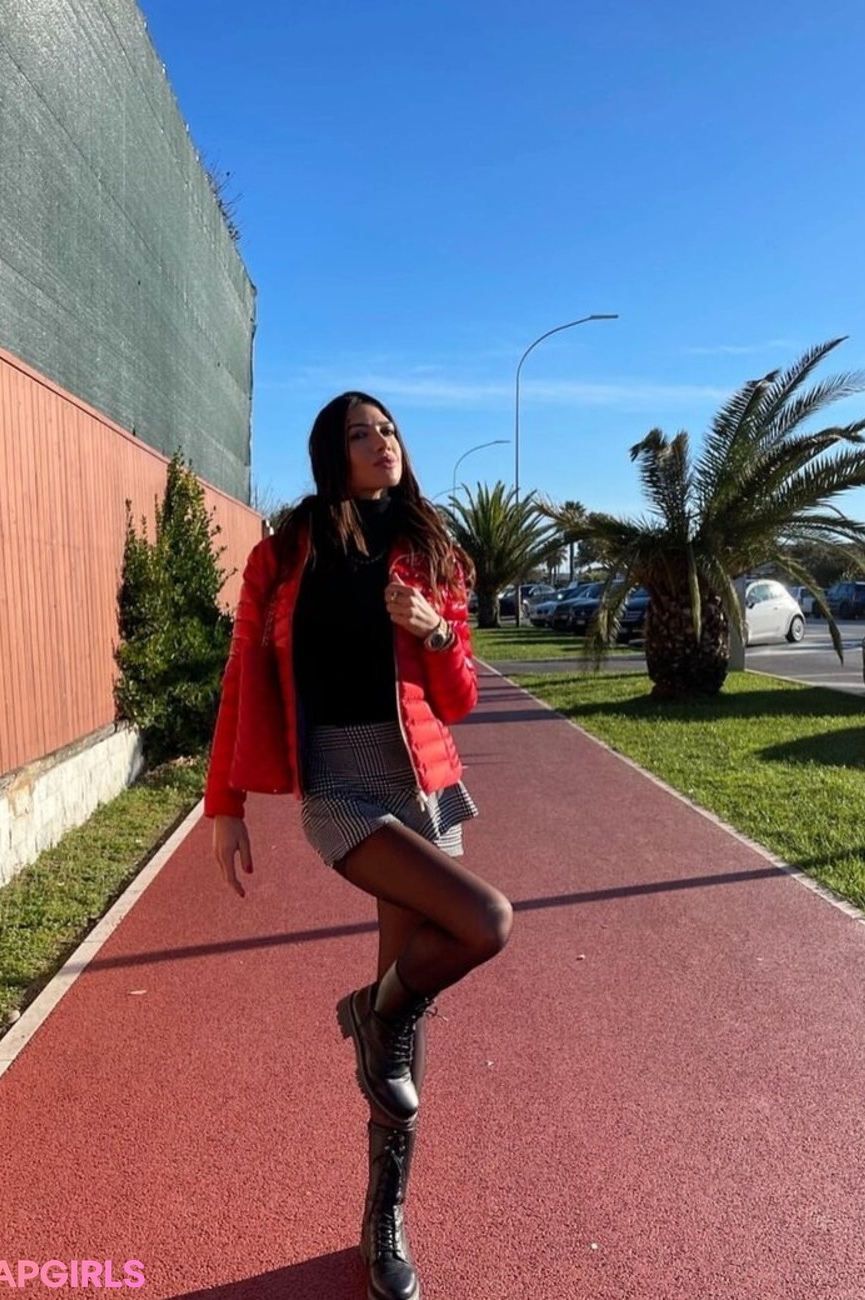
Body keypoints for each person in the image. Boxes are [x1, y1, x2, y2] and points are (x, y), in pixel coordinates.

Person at [205, 391, 514, 1300]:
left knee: (405, 1032)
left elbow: (458, 698)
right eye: (359, 433)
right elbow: (242, 673)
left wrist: (435, 630)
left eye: (388, 429)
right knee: (485, 921)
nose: (382, 442)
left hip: (421, 779)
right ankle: (374, 1016)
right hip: (340, 783)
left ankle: (384, 1221)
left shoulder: (432, 549)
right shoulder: (285, 553)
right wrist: (225, 802)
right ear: (330, 454)